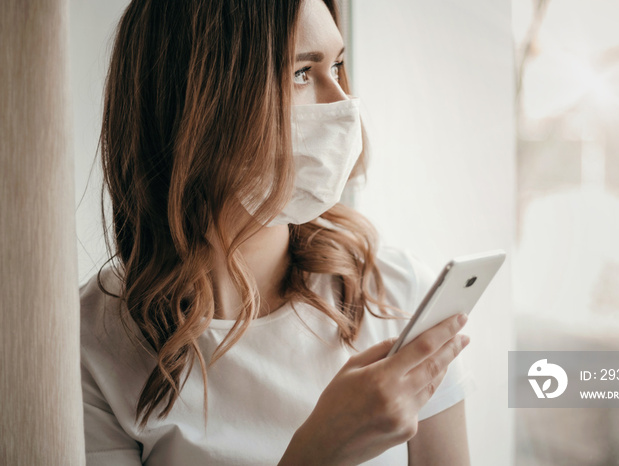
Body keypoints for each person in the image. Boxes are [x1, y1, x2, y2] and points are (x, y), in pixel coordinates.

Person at [80, 0, 472, 464]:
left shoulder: (398, 292)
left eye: (338, 65)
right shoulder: (92, 345)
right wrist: (320, 451)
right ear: (199, 103)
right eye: (303, 72)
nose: (342, 103)